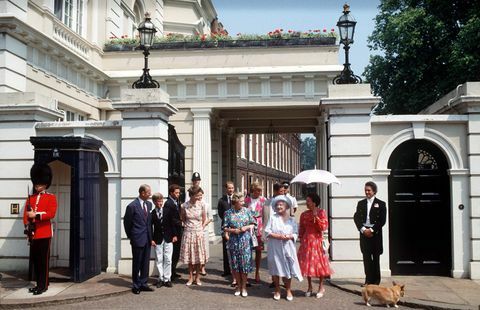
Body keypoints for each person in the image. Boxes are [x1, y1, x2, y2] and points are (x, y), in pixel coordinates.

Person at [23, 163, 58, 295]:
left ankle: (43, 286)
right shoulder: (30, 198)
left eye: (40, 184)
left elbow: (51, 214)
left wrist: (36, 215)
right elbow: (25, 216)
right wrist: (27, 227)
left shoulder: (51, 198)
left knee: (43, 262)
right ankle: (39, 284)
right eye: (36, 184)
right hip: (33, 234)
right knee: (36, 261)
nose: (38, 186)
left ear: (46, 183)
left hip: (44, 233)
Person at [264, 195, 303, 301]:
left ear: (286, 206)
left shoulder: (291, 220)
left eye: (281, 204)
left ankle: (288, 290)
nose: (279, 206)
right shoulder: (273, 218)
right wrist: (278, 236)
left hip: (288, 247)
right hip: (275, 246)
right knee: (276, 268)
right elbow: (267, 232)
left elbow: (295, 233)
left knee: (287, 268)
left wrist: (290, 236)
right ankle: (277, 290)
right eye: (277, 204)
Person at [297, 193, 333, 298]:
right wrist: (301, 239)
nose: (306, 203)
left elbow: (323, 227)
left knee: (319, 264)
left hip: (317, 241)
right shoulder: (304, 214)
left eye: (308, 201)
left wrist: (316, 216)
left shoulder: (321, 212)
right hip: (307, 241)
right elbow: (301, 229)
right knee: (307, 265)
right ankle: (309, 286)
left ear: (314, 202)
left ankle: (321, 286)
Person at [353, 181, 387, 286]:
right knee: (366, 258)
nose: (367, 192)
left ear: (374, 191)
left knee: (376, 258)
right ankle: (368, 280)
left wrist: (371, 230)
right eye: (365, 190)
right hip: (364, 233)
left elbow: (382, 220)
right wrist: (363, 230)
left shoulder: (381, 204)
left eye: (369, 190)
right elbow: (356, 217)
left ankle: (376, 281)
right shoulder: (361, 203)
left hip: (375, 234)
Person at [223, 192, 256, 297]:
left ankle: (244, 287)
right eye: (241, 201)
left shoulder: (247, 211)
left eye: (243, 201)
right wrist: (233, 230)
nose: (243, 203)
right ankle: (238, 286)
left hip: (245, 241)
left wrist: (246, 227)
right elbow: (224, 227)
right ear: (235, 202)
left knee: (244, 265)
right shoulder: (228, 213)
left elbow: (253, 223)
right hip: (233, 241)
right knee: (236, 265)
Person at [123, 184, 154, 294]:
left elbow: (149, 223)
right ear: (142, 193)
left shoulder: (149, 205)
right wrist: (132, 236)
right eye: (148, 192)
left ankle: (144, 283)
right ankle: (136, 285)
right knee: (137, 263)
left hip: (147, 239)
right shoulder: (132, 206)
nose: (150, 194)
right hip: (137, 239)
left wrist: (151, 238)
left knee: (145, 263)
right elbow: (127, 223)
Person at [179, 186, 208, 286]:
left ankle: (198, 278)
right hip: (188, 233)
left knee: (198, 257)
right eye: (197, 195)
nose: (199, 197)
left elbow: (204, 219)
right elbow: (183, 219)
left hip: (198, 234)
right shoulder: (184, 206)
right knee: (190, 257)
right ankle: (190, 277)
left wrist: (201, 228)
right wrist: (188, 227)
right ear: (192, 195)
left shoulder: (202, 205)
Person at [151, 192, 178, 288]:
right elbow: (150, 227)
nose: (160, 203)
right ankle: (160, 279)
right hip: (157, 238)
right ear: (154, 202)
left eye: (161, 201)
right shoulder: (153, 214)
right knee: (159, 259)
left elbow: (172, 223)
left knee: (168, 259)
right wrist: (151, 239)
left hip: (168, 237)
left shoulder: (167, 211)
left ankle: (167, 279)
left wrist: (174, 235)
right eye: (158, 201)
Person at [244, 181, 266, 283]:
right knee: (247, 251)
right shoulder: (247, 200)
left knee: (258, 251)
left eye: (260, 191)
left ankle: (257, 272)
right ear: (253, 190)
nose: (259, 192)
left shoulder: (263, 200)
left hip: (259, 228)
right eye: (257, 190)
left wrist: (265, 229)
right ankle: (246, 272)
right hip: (248, 227)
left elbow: (266, 215)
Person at [217, 181, 235, 279]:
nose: (230, 189)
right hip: (225, 227)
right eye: (229, 188)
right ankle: (226, 270)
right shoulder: (221, 200)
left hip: (235, 227)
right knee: (225, 248)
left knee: (234, 249)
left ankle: (234, 270)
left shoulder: (236, 199)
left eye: (232, 188)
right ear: (226, 189)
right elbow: (220, 213)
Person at [166, 184, 182, 280]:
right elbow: (170, 219)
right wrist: (181, 223)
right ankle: (170, 273)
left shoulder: (176, 202)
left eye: (179, 193)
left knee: (176, 253)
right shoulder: (168, 203)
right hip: (173, 232)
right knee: (172, 254)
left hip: (178, 231)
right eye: (176, 193)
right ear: (171, 193)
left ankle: (173, 271)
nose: (178, 194)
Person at [199, 188, 213, 276]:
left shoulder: (206, 205)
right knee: (197, 249)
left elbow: (210, 217)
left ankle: (203, 268)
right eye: (198, 195)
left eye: (201, 195)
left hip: (204, 230)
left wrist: (204, 224)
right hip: (195, 230)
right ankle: (196, 268)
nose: (199, 197)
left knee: (204, 249)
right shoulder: (193, 205)